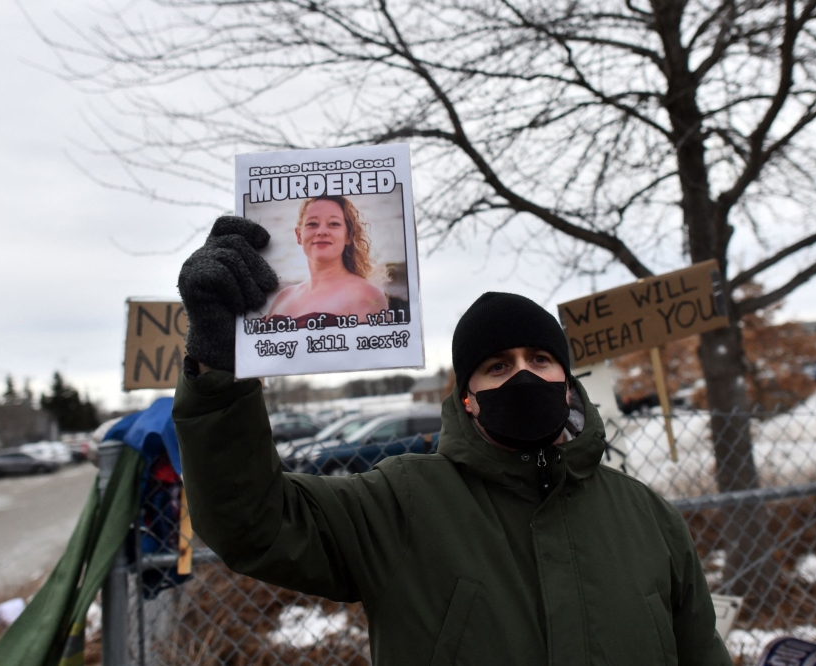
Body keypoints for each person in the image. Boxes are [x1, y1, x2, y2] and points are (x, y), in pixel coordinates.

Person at [174, 218, 732, 665]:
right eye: (496, 366)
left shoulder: (648, 519)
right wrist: (221, 367)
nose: (522, 376)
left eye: (540, 360)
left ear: (568, 384)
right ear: (467, 397)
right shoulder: (402, 504)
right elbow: (252, 522)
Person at [266, 195, 388, 325]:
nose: (322, 231)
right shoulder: (282, 298)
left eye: (334, 224)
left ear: (348, 235)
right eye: (312, 224)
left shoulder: (367, 295)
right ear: (299, 235)